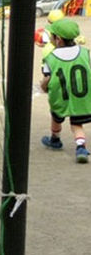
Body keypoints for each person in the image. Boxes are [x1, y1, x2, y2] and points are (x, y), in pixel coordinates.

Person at [40, 19, 91, 163]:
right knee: (77, 123)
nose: (50, 37)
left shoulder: (50, 57)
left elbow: (47, 79)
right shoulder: (84, 52)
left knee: (56, 117)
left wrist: (43, 87)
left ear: (59, 39)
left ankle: (55, 139)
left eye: (52, 35)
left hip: (60, 96)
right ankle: (81, 147)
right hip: (81, 96)